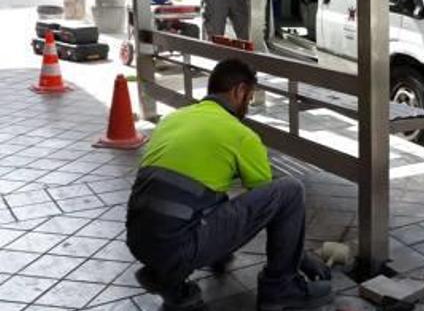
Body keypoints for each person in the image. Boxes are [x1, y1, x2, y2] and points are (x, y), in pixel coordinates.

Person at [126, 59, 333, 310]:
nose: (248, 104)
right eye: (250, 97)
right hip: (179, 245)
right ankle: (281, 288)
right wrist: (301, 258)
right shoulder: (241, 135)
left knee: (206, 197)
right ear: (239, 91)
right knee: (289, 191)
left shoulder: (173, 119)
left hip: (139, 241)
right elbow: (270, 205)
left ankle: (169, 280)